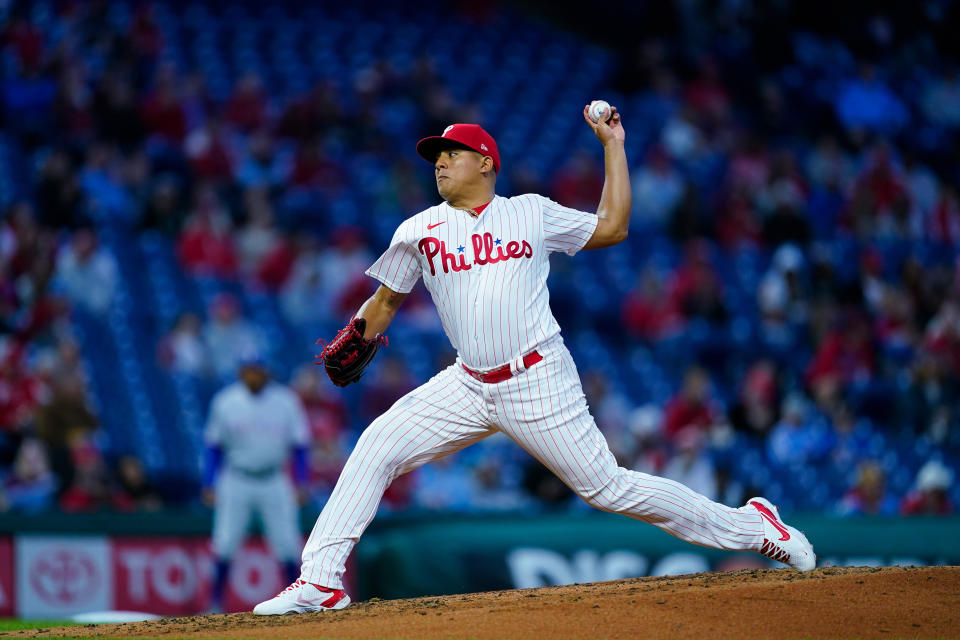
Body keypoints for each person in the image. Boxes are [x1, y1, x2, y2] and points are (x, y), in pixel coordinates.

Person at [254, 106, 815, 615]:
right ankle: (321, 581)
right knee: (376, 445)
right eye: (436, 157)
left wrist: (612, 146)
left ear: (486, 163)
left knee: (609, 489)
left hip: (538, 379)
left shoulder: (529, 213)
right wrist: (357, 333)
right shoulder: (418, 229)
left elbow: (613, 226)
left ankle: (752, 526)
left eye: (452, 154)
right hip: (466, 384)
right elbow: (385, 301)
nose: (440, 164)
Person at [203, 355, 310, 612]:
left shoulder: (286, 401)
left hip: (274, 478)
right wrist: (209, 482)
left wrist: (301, 481)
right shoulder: (226, 401)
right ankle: (215, 603)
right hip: (236, 478)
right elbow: (213, 447)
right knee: (225, 542)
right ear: (241, 373)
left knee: (287, 542)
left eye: (257, 370)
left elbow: (300, 446)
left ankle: (295, 602)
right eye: (248, 370)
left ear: (266, 372)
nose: (253, 375)